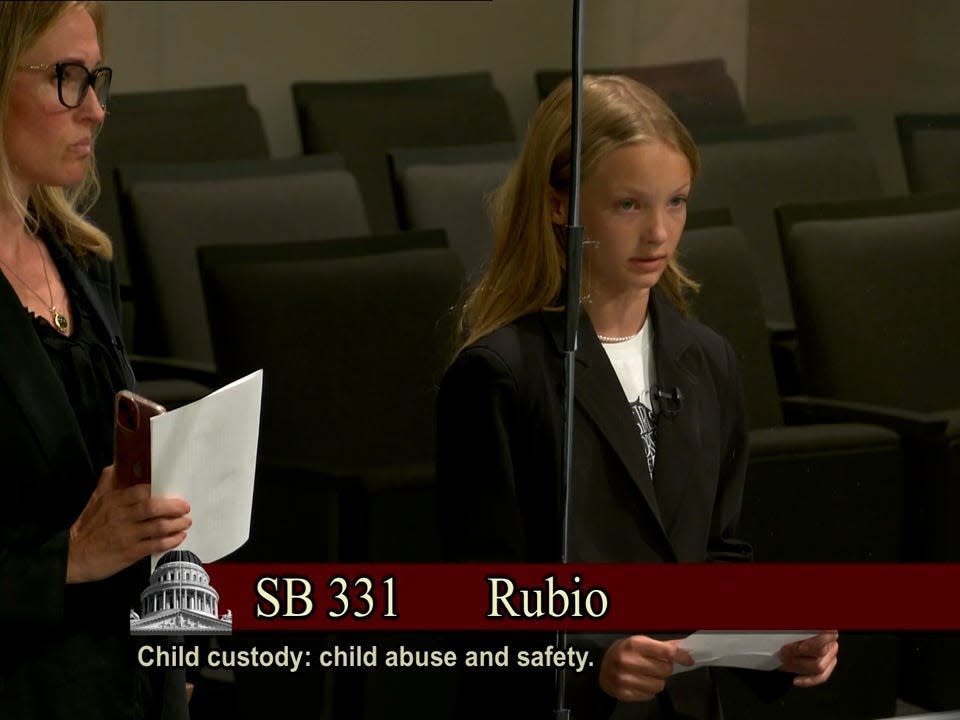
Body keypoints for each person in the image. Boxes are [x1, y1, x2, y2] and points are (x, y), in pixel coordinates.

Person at [436, 75, 838, 719]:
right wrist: (594, 661)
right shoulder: (500, 374)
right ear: (557, 205)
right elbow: (477, 601)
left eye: (675, 202)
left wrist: (774, 645)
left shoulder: (708, 360)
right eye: (629, 205)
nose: (659, 233)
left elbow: (715, 556)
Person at [0, 2, 192, 717]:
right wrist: (70, 560)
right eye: (66, 78)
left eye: (96, 77)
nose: (97, 110)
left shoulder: (81, 259)